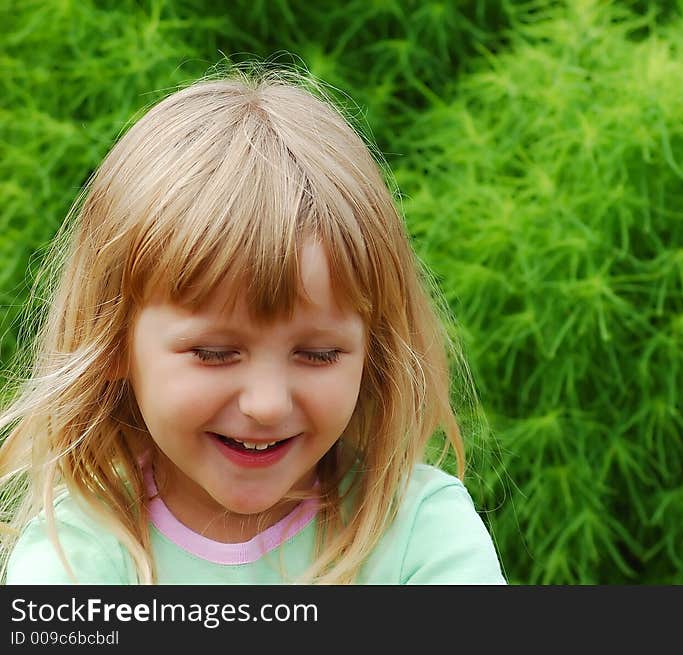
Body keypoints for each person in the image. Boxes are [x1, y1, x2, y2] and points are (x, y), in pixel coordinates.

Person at [0, 68, 506, 584]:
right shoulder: (75, 561)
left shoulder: (421, 534)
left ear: (372, 350)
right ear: (112, 344)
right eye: (215, 353)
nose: (266, 404)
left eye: (319, 354)